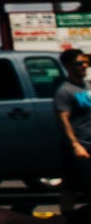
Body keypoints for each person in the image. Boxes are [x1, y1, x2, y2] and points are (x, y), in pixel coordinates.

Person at [58, 48, 91, 216]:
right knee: (71, 188)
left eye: (86, 62)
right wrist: (76, 145)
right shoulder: (64, 91)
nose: (84, 66)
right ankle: (65, 219)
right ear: (68, 67)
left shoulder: (87, 86)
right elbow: (64, 120)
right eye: (79, 63)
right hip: (80, 148)